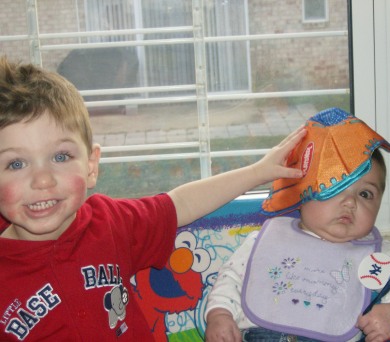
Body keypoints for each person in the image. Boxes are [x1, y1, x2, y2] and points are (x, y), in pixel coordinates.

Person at [0, 56, 307, 341]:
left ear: (91, 166)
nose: (42, 180)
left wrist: (258, 171)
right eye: (16, 163)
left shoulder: (110, 222)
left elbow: (180, 204)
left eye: (61, 156)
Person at [205, 108, 390, 342]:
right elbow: (231, 278)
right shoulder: (265, 241)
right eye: (335, 186)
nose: (350, 202)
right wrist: (220, 314)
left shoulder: (379, 255)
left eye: (365, 194)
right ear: (302, 191)